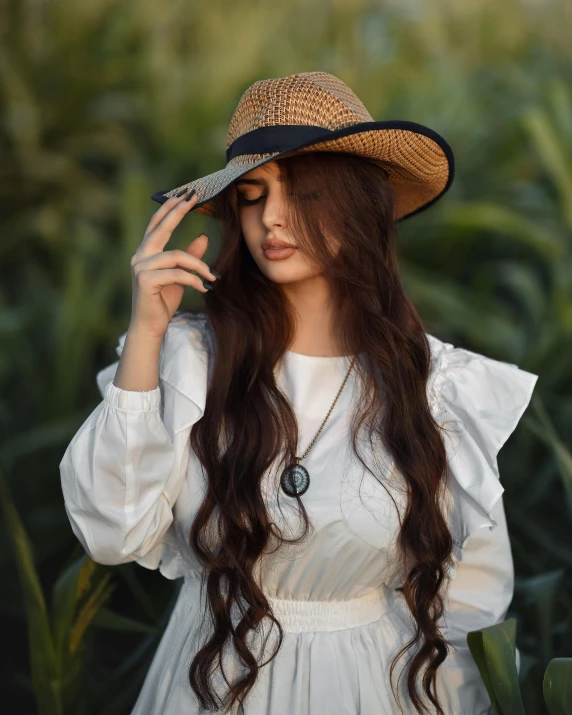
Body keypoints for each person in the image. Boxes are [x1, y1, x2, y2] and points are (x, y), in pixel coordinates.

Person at [59, 72, 539, 715]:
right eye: (252, 197)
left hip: (376, 685)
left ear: (360, 206)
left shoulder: (439, 388)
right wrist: (146, 333)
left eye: (305, 193)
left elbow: (473, 598)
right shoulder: (190, 360)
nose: (272, 218)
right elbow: (110, 532)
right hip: (213, 681)